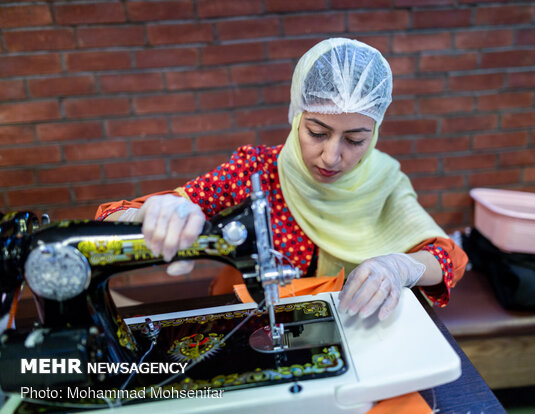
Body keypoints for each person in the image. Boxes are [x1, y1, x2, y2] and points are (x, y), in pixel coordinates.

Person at [97, 38, 468, 321]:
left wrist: (399, 266)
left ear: (376, 131)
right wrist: (156, 215)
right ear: (296, 114)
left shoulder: (385, 180)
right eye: (317, 132)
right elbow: (111, 222)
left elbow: (444, 258)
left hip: (347, 325)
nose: (331, 156)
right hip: (247, 317)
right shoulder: (256, 170)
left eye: (355, 140)